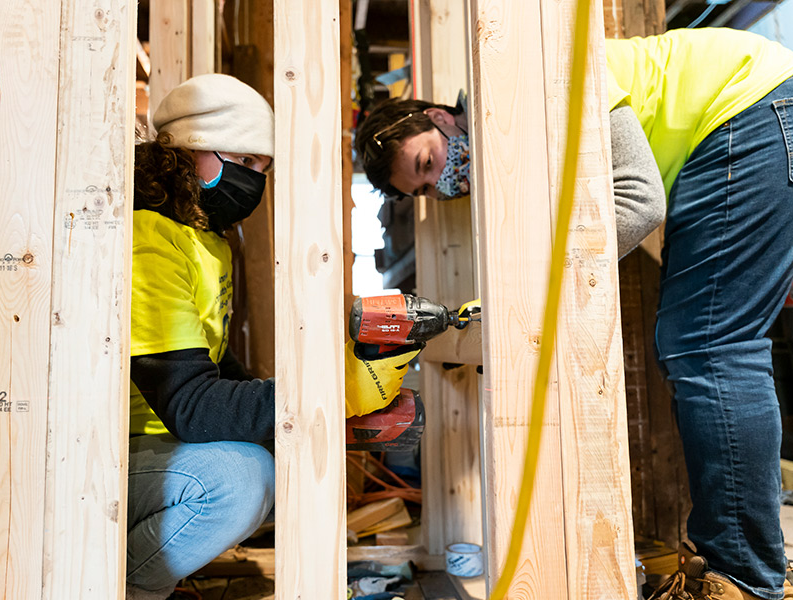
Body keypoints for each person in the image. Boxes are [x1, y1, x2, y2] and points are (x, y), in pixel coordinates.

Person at [354, 27, 793, 600]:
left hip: (744, 107)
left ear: (441, 117)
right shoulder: (513, 143)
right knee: (702, 343)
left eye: (430, 159)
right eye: (429, 185)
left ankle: (742, 576)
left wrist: (519, 297)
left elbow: (636, 201)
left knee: (706, 345)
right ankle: (739, 563)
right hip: (750, 113)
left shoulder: (523, 91)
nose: (445, 178)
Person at [127, 73, 419, 600]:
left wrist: (303, 411)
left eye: (264, 169)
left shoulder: (206, 241)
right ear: (187, 150)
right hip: (113, 456)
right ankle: (123, 583)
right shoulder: (148, 241)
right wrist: (324, 394)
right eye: (243, 163)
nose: (254, 182)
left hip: (156, 447)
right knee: (240, 481)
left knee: (282, 453)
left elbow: (215, 366)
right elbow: (191, 405)